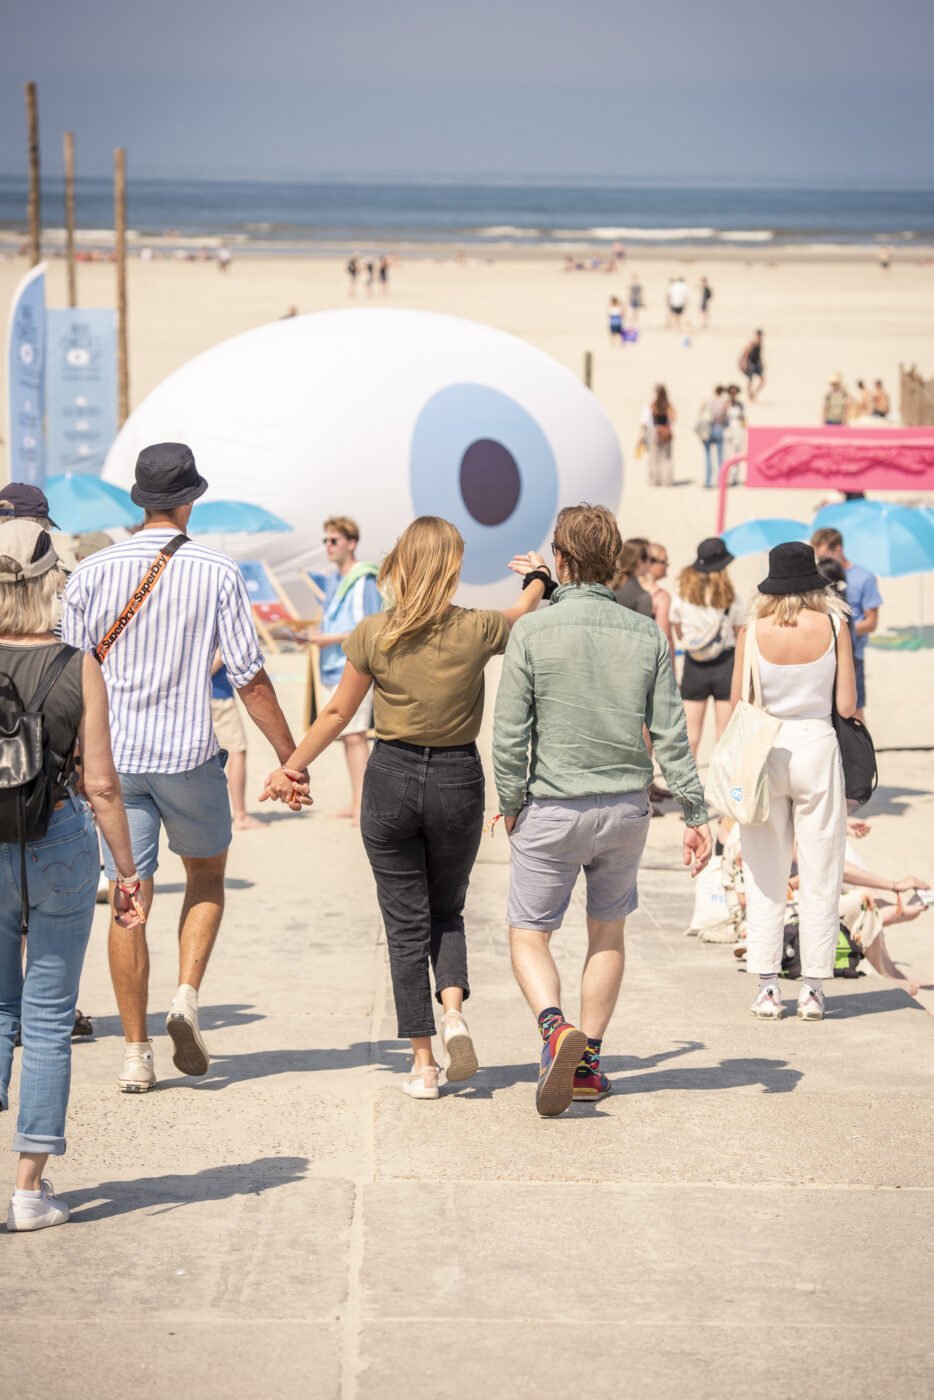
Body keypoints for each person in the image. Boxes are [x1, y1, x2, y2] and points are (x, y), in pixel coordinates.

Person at [261, 517, 550, 1100]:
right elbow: (523, 613)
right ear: (452, 569)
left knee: (404, 925)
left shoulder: (374, 632)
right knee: (447, 910)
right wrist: (541, 576)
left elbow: (338, 714)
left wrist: (292, 765)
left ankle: (423, 1064)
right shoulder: (478, 628)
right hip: (456, 779)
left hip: (389, 776)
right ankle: (454, 1016)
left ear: (401, 563)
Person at [60, 444, 302, 1093]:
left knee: (128, 898)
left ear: (140, 500)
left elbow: (64, 676)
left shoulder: (90, 573)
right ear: (190, 498)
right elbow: (249, 678)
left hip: (114, 765)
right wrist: (291, 756)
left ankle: (135, 1054)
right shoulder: (216, 571)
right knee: (206, 876)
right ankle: (186, 997)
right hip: (189, 755)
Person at [492, 504, 712, 1117]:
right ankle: (587, 1064)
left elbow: (510, 733)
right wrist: (696, 812)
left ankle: (554, 1027)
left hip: (553, 806)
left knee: (529, 933)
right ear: (615, 563)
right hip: (625, 809)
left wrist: (510, 801)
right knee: (607, 930)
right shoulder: (646, 633)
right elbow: (671, 735)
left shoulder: (532, 631)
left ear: (559, 558)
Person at [0, 521, 143, 1232]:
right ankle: (30, 1190)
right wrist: (127, 871)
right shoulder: (76, 663)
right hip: (58, 837)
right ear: (50, 581)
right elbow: (103, 784)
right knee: (49, 1015)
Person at [732, 542, 856, 1022]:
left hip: (765, 748)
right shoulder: (832, 625)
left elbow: (740, 699)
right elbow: (845, 705)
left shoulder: (752, 630)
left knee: (764, 869)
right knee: (822, 868)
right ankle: (812, 989)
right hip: (817, 745)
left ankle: (767, 987)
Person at [302, 517, 382, 824]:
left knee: (356, 737)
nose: (328, 546)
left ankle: (362, 804)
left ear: (352, 542)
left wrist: (325, 639)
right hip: (335, 666)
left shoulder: (364, 579)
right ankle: (355, 800)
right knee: (349, 736)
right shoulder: (336, 578)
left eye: (334, 540)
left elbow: (369, 627)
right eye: (326, 540)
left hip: (355, 667)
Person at [671, 538, 746, 756]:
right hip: (725, 663)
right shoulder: (731, 596)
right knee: (724, 735)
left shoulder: (682, 593)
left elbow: (678, 630)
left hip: (695, 664)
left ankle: (689, 788)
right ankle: (721, 786)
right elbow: (738, 632)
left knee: (691, 735)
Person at [811, 528, 882, 720]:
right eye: (818, 558)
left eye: (825, 556)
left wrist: (840, 630)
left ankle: (861, 750)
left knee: (854, 711)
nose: (822, 562)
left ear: (838, 549)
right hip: (822, 652)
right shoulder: (818, 574)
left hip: (853, 652)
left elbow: (872, 622)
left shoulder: (864, 577)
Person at [210, 656, 260, 831]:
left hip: (198, 699)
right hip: (218, 696)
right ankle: (240, 814)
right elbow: (220, 655)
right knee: (237, 751)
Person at [644, 541, 675, 657]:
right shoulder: (660, 596)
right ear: (650, 562)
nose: (667, 565)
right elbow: (665, 637)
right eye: (664, 561)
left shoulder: (626, 590)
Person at [642, 384, 676, 487]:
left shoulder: (652, 405)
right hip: (666, 432)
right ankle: (667, 480)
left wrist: (643, 434)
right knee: (667, 458)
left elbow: (646, 421)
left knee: (654, 457)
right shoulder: (668, 405)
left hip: (655, 431)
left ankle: (655, 479)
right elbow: (673, 419)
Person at [701, 385, 731, 489]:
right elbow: (725, 418)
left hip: (708, 429)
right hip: (719, 428)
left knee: (708, 456)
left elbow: (700, 413)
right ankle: (720, 481)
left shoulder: (709, 401)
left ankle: (708, 481)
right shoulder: (724, 403)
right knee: (720, 457)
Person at [613, 539, 653, 616]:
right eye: (651, 559)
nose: (651, 563)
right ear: (640, 561)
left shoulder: (607, 586)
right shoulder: (642, 597)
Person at [739, 330, 765, 401]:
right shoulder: (752, 343)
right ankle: (749, 395)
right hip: (750, 364)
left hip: (756, 364)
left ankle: (754, 393)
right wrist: (744, 363)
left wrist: (761, 363)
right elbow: (745, 354)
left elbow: (758, 355)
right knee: (750, 380)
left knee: (762, 380)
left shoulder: (760, 344)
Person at [725, 384, 747, 460]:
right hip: (728, 426)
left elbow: (743, 416)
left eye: (735, 392)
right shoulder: (726, 403)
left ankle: (736, 470)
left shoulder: (740, 404)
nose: (733, 394)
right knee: (728, 448)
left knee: (737, 448)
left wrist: (744, 427)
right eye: (731, 392)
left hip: (737, 427)